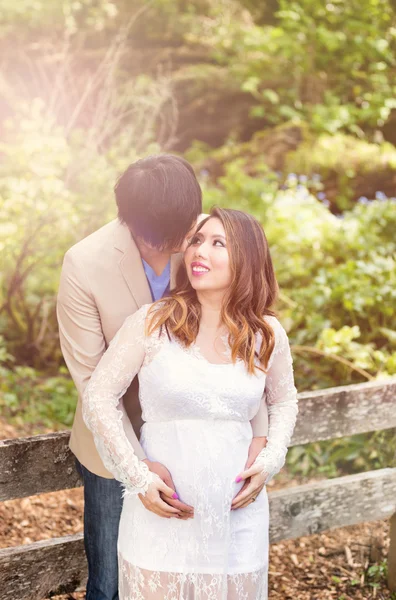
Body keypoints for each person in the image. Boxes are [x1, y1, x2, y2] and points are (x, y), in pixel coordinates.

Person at [57, 156, 269, 600]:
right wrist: (136, 467)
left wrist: (259, 437)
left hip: (197, 440)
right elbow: (94, 382)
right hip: (112, 442)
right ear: (145, 225)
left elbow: (247, 347)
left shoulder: (202, 244)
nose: (194, 242)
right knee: (113, 581)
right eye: (185, 234)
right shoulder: (84, 264)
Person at [82, 206, 298, 599]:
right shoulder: (152, 321)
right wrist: (138, 477)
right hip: (163, 517)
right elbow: (98, 396)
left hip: (237, 520)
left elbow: (284, 401)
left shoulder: (267, 334)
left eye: (219, 243)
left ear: (248, 258)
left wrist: (270, 459)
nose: (200, 251)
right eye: (197, 240)